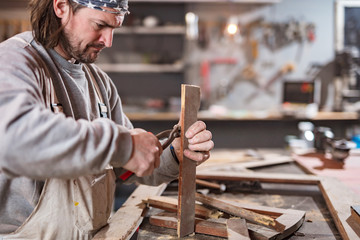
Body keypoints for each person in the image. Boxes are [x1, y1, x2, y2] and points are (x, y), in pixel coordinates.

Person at [0, 0, 214, 239]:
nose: (108, 41)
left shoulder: (99, 83)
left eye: (114, 28)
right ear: (61, 7)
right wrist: (123, 144)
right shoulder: (16, 61)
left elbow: (129, 169)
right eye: (100, 25)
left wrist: (175, 154)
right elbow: (13, 139)